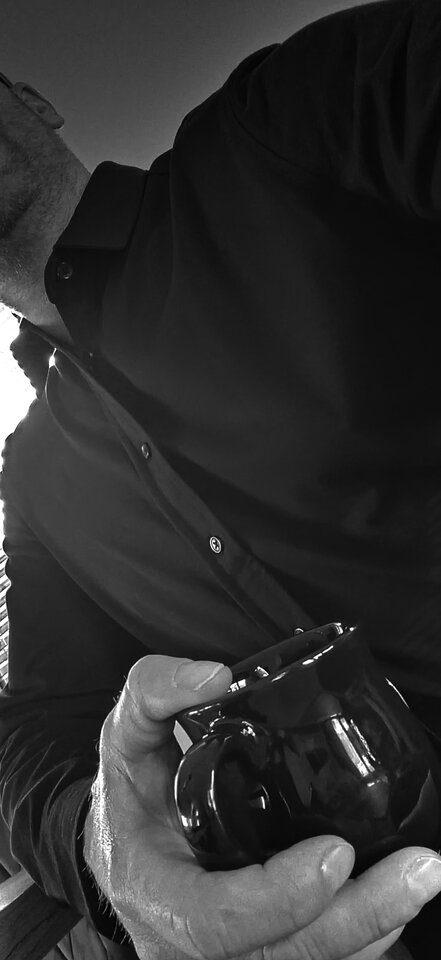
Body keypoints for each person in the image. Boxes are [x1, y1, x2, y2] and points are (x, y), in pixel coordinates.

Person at [1, 0, 441, 956]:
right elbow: (33, 726)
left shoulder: (291, 119)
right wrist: (103, 848)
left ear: (30, 100)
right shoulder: (31, 479)